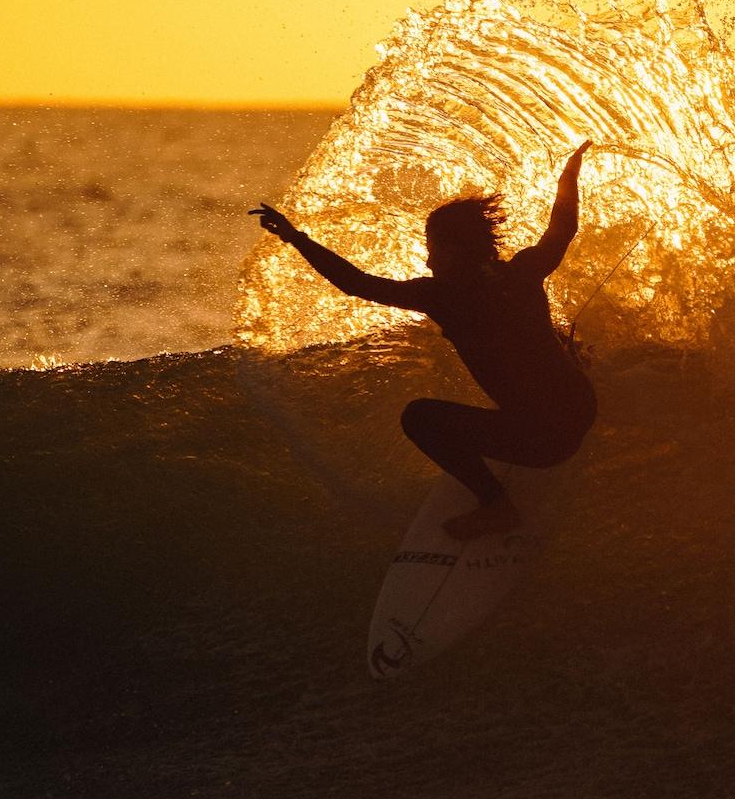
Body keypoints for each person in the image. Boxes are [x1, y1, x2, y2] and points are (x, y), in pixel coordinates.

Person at [250, 140, 597, 540]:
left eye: (433, 250)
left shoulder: (441, 297)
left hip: (545, 443)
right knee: (546, 340)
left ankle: (495, 505)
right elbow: (562, 228)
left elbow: (356, 284)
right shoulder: (523, 270)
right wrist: (570, 173)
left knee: (419, 417)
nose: (429, 261)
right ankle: (579, 366)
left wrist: (296, 237)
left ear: (453, 251)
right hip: (583, 408)